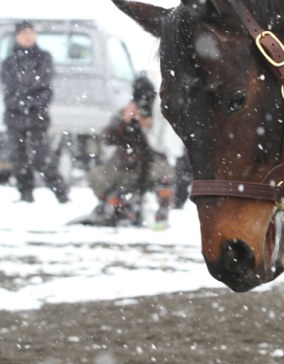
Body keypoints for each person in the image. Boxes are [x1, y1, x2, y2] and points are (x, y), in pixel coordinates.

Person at [83, 74, 175, 226]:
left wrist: (150, 128)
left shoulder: (159, 114)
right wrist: (123, 121)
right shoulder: (126, 110)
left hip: (151, 165)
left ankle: (161, 215)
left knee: (166, 174)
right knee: (97, 176)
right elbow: (106, 138)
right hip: (124, 165)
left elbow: (164, 146)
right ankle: (118, 207)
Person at [1, 20, 69, 203]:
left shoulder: (44, 57)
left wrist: (27, 98)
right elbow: (11, 89)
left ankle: (61, 193)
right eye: (24, 33)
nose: (28, 36)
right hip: (14, 116)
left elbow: (45, 87)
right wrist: (28, 96)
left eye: (31, 33)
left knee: (41, 157)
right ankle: (25, 193)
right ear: (17, 37)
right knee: (19, 157)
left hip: (37, 116)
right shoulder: (9, 62)